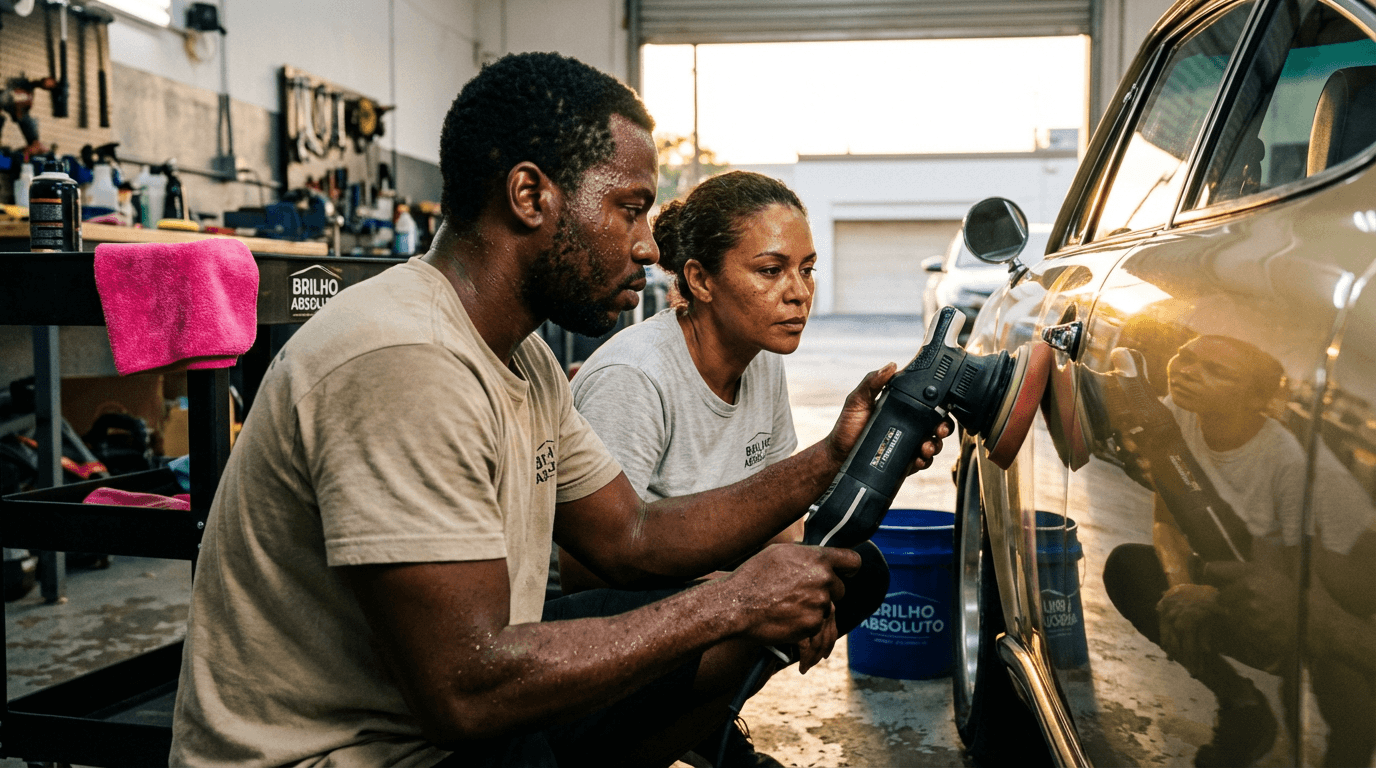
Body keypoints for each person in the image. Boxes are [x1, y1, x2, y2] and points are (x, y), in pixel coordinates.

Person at [169, 52, 948, 767]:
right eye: (629, 209)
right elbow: (467, 691)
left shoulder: (525, 358)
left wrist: (829, 460)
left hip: (446, 724)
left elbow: (631, 537)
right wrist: (735, 601)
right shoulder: (405, 357)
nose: (649, 246)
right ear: (530, 196)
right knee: (717, 623)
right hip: (349, 752)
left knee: (817, 587)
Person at [1100, 335, 1376, 768]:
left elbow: (1290, 575)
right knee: (1131, 570)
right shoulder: (1177, 414)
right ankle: (1241, 705)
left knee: (1344, 692)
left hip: (1307, 597)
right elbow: (1166, 516)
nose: (1188, 372)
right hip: (1240, 574)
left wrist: (1212, 600)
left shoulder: (1286, 462)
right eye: (1186, 356)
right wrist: (1180, 586)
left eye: (1216, 371)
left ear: (1255, 401)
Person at [558, 171, 814, 593]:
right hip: (608, 608)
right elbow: (587, 575)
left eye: (807, 269)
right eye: (771, 270)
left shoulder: (762, 357)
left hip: (709, 579)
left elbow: (780, 521)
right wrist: (745, 594)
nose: (799, 292)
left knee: (854, 570)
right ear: (700, 280)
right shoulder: (633, 377)